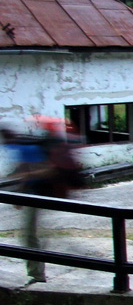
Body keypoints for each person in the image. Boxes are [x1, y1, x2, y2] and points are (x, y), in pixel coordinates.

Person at [1, 119, 82, 284]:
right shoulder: (21, 146)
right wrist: (20, 191)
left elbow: (46, 170)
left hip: (39, 193)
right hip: (33, 193)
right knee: (30, 235)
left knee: (29, 236)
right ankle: (37, 271)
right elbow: (26, 169)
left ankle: (37, 276)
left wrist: (25, 183)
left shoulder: (26, 147)